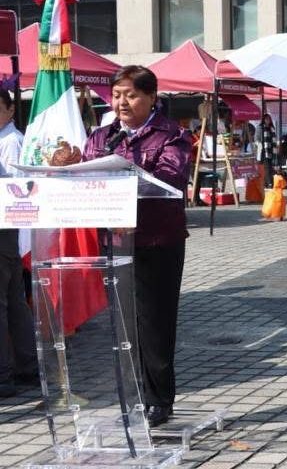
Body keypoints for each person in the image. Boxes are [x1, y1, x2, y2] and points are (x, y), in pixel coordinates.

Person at [83, 66, 193, 428]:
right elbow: (87, 173)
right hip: (115, 240)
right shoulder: (102, 137)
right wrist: (71, 166)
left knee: (155, 324)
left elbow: (170, 178)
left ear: (150, 97)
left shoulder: (172, 136)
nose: (121, 102)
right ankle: (133, 397)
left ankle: (159, 400)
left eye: (130, 94)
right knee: (125, 324)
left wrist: (123, 173)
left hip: (157, 241)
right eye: (116, 95)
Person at [0, 90, 36, 398]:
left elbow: (14, 191)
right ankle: (26, 366)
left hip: (5, 227)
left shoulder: (10, 142)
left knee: (8, 303)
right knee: (14, 302)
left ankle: (4, 374)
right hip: (7, 232)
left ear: (11, 110)